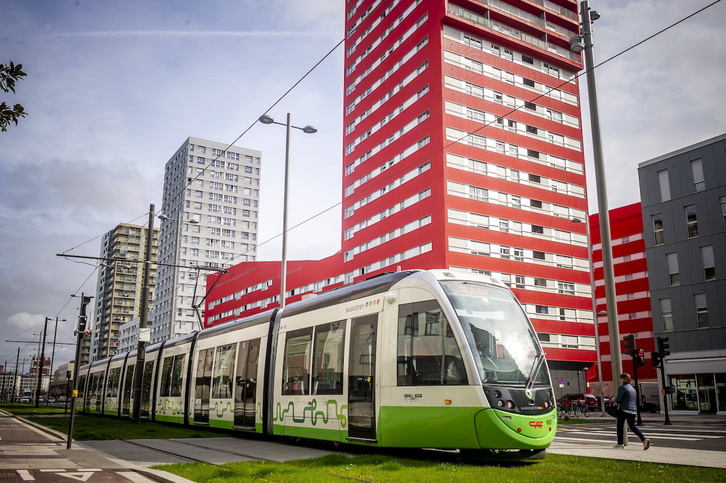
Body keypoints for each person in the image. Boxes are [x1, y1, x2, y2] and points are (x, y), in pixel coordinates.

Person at [614, 373, 651, 450]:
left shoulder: (622, 387)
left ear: (623, 379)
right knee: (633, 427)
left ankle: (620, 443)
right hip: (633, 410)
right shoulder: (632, 388)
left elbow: (618, 400)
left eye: (621, 378)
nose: (620, 380)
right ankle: (644, 439)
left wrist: (614, 400)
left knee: (620, 427)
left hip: (624, 409)